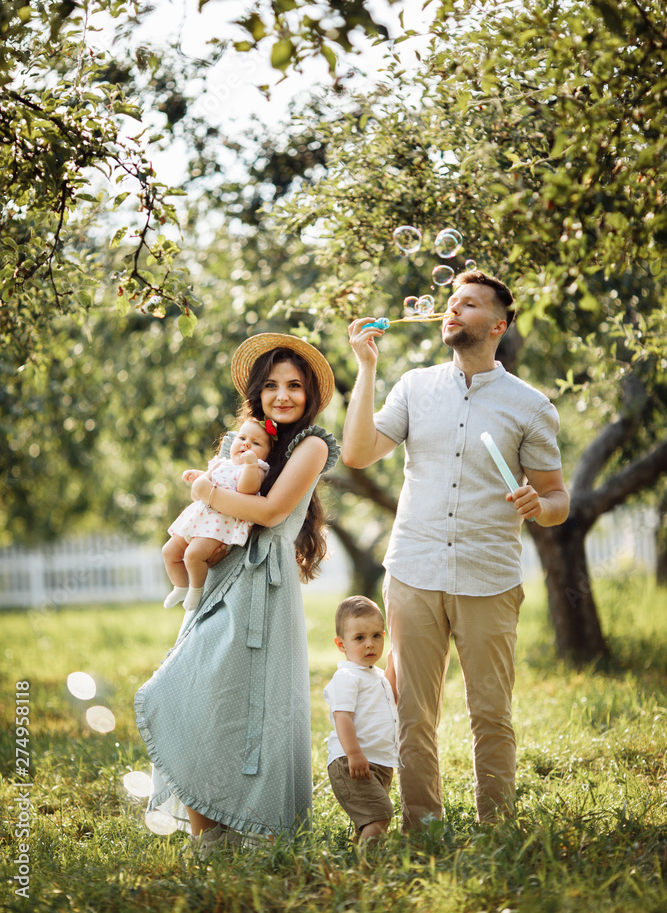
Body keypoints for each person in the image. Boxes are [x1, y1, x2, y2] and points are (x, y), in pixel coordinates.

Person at [342, 270, 570, 830]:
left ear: (498, 324)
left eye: (468, 304)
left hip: (489, 576)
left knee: (490, 713)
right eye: (451, 302)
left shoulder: (530, 406)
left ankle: (496, 827)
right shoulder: (414, 387)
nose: (453, 310)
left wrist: (540, 507)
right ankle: (423, 825)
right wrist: (366, 368)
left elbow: (559, 497)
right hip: (414, 569)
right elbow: (357, 451)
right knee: (413, 714)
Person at [135, 333, 340, 852]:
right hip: (224, 576)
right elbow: (222, 512)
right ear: (257, 391)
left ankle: (263, 828)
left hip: (265, 586)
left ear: (309, 393)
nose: (283, 395)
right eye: (271, 385)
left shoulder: (313, 444)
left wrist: (206, 490)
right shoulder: (248, 438)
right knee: (196, 690)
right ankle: (210, 836)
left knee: (258, 707)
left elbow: (269, 513)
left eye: (294, 385)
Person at [162, 416, 276, 612]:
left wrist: (250, 464)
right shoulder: (222, 463)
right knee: (169, 551)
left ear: (265, 455)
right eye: (242, 438)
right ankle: (180, 586)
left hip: (219, 523)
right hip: (198, 517)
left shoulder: (257, 469)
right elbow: (206, 485)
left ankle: (196, 590)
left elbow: (246, 489)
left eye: (256, 443)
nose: (246, 444)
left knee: (193, 555)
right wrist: (198, 475)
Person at [323, 595, 399, 844]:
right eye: (359, 638)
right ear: (341, 644)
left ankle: (358, 856)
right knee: (381, 815)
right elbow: (342, 717)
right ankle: (368, 867)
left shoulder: (374, 675)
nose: (370, 645)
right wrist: (354, 754)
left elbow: (390, 701)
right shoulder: (347, 677)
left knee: (370, 818)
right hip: (352, 761)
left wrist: (392, 668)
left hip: (378, 761)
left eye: (376, 636)